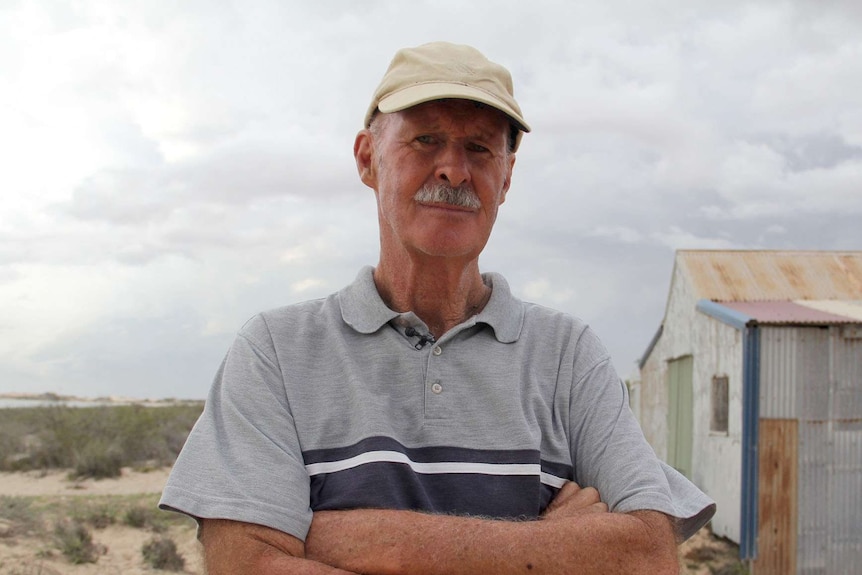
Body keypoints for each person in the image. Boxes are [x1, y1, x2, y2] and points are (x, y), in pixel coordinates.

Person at [159, 41, 715, 574]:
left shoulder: (569, 355)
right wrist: (554, 547)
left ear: (507, 177)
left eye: (480, 147)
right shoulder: (276, 351)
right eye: (425, 140)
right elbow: (247, 565)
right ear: (367, 158)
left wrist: (365, 540)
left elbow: (647, 556)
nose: (454, 170)